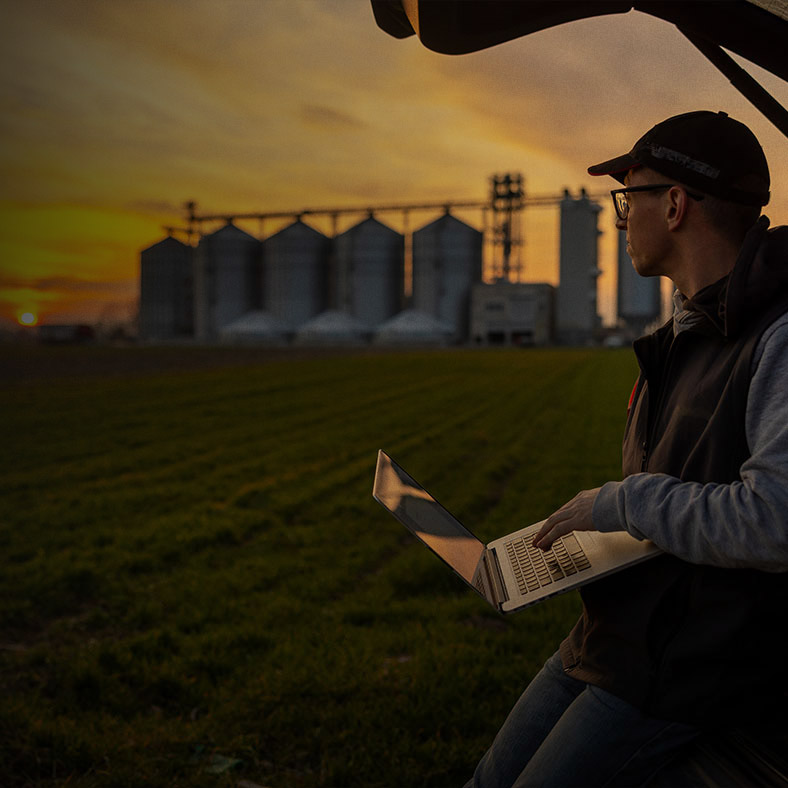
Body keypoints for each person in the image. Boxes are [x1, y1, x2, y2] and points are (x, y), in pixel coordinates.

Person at [465, 110, 788, 788]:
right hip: (613, 636)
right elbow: (679, 497)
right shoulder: (682, 332)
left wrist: (624, 502)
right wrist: (596, 540)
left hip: (683, 671)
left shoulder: (778, 338)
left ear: (673, 205)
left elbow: (776, 521)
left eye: (628, 198)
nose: (620, 218)